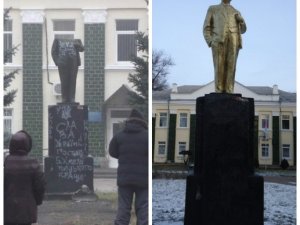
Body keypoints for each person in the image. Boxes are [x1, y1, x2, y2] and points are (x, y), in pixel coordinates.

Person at [109, 109, 148, 225]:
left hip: (124, 178)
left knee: (124, 208)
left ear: (129, 121)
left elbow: (112, 152)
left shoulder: (119, 136)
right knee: (143, 208)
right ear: (142, 122)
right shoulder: (147, 136)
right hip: (143, 180)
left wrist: (124, 157)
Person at [203, 0, 246, 93]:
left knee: (232, 65)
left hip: (234, 40)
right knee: (219, 65)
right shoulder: (213, 8)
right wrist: (210, 41)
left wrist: (241, 20)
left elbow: (243, 30)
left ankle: (229, 89)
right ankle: (219, 90)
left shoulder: (236, 11)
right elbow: (206, 27)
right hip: (218, 40)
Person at [4, 130, 46, 225]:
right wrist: (37, 201)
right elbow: (40, 187)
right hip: (27, 212)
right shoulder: (34, 164)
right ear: (28, 146)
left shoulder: (5, 163)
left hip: (6, 212)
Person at [51, 38, 84, 103]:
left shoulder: (77, 40)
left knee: (73, 81)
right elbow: (53, 51)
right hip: (62, 63)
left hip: (74, 63)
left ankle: (72, 98)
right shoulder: (57, 40)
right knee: (64, 81)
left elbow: (82, 49)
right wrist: (57, 62)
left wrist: (78, 45)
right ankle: (64, 98)